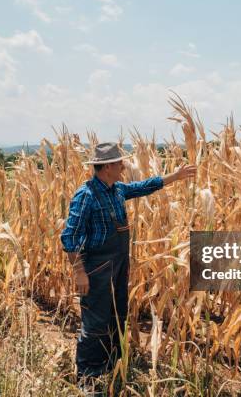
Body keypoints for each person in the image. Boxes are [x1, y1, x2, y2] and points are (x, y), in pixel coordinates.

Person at [60, 142, 196, 385]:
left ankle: (113, 366)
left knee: (116, 314)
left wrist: (175, 176)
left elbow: (143, 187)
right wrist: (79, 271)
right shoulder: (86, 195)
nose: (123, 166)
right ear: (107, 167)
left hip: (119, 265)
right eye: (119, 163)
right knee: (96, 321)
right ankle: (87, 377)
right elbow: (69, 237)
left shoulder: (116, 189)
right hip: (97, 269)